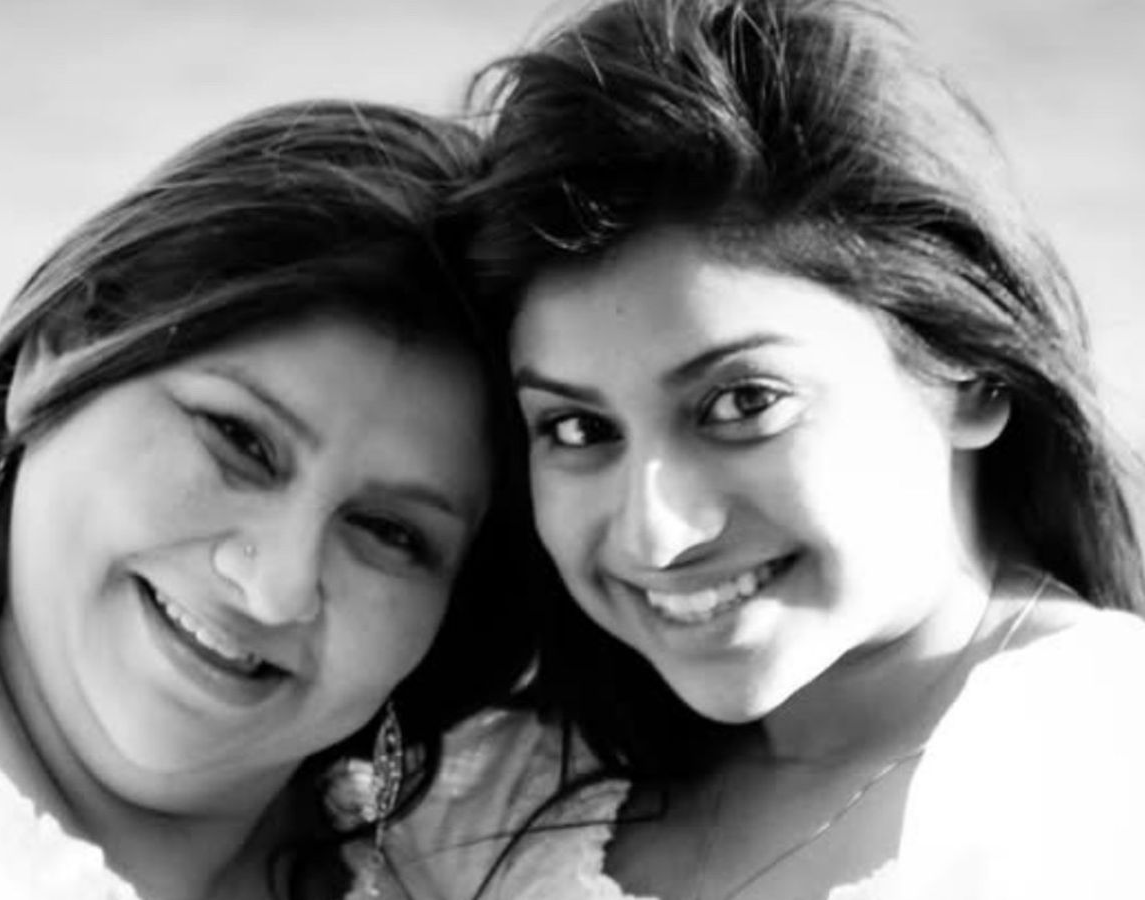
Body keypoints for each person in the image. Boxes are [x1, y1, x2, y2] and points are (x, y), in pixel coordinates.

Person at [370, 0, 1145, 897]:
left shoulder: (1103, 773)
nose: (656, 534)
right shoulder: (482, 800)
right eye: (578, 429)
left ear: (972, 373)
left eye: (744, 403)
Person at [0, 99, 536, 900]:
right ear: (59, 350)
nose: (277, 587)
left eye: (389, 532)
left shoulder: (488, 863)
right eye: (241, 441)